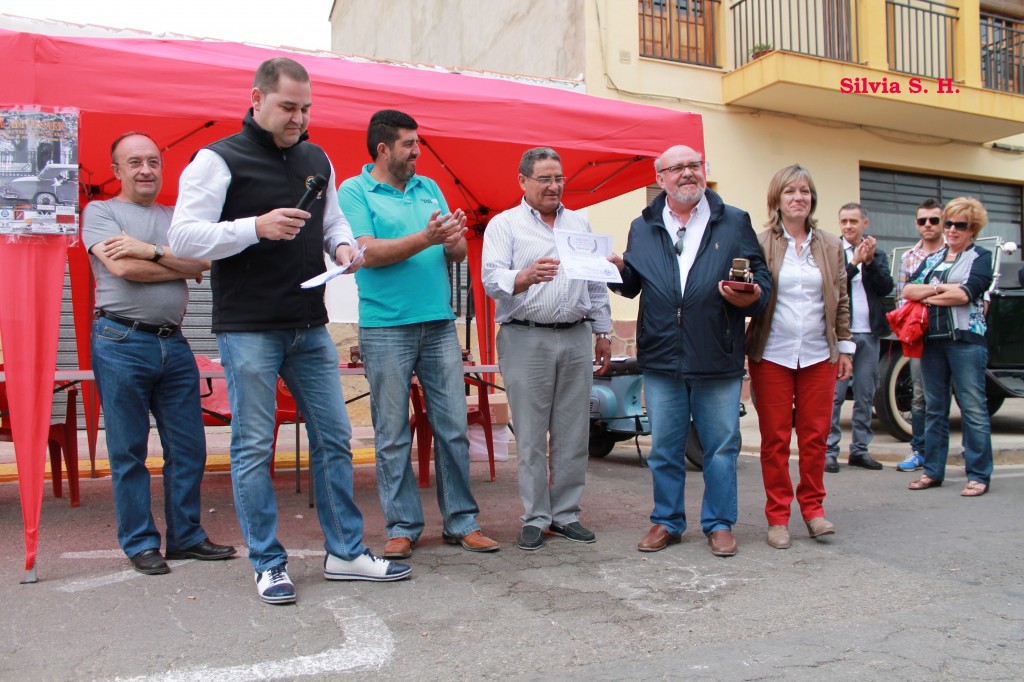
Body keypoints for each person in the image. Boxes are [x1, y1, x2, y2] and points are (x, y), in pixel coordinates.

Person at [169, 58, 410, 605]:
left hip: (309, 325)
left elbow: (333, 223)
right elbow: (183, 237)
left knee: (335, 438)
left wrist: (344, 248)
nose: (298, 118)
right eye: (288, 107)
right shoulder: (217, 159)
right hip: (248, 327)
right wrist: (254, 227)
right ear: (256, 99)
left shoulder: (315, 156)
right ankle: (268, 562)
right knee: (254, 445)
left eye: (305, 108)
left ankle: (346, 552)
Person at [338, 109, 498, 560]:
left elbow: (456, 251)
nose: (417, 150)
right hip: (385, 326)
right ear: (384, 149)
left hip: (439, 322)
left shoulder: (428, 187)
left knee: (452, 427)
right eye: (409, 143)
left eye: (418, 142)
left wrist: (452, 237)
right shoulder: (354, 190)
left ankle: (462, 522)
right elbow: (365, 252)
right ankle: (402, 525)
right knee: (391, 432)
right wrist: (428, 237)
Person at [83, 132, 236, 575]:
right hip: (120, 341)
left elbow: (204, 263)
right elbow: (121, 267)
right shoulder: (101, 211)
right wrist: (172, 263)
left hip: (174, 341)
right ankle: (140, 543)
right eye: (134, 163)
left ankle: (186, 537)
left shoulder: (175, 217)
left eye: (152, 161)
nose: (145, 170)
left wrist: (148, 250)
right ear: (117, 171)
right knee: (129, 449)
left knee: (188, 447)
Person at [609, 145, 770, 558]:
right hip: (662, 355)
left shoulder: (734, 220)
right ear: (659, 176)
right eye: (677, 168)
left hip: (717, 351)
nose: (687, 174)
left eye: (694, 165)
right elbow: (632, 284)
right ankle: (667, 521)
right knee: (664, 445)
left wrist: (749, 297)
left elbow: (761, 283)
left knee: (720, 445)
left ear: (704, 171)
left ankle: (719, 524)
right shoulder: (642, 225)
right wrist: (611, 269)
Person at [481, 147, 613, 551]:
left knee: (574, 432)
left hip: (576, 335)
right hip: (525, 336)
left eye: (559, 178)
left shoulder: (579, 223)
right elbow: (489, 279)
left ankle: (567, 514)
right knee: (532, 433)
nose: (554, 186)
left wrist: (603, 331)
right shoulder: (504, 225)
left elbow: (594, 281)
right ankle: (536, 516)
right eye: (544, 178)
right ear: (522, 181)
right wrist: (524, 276)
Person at [745, 164, 854, 550]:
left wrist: (844, 346)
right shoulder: (760, 243)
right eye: (790, 191)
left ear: (812, 199)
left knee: (815, 437)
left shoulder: (830, 245)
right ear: (777, 199)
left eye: (805, 191)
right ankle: (777, 516)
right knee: (774, 439)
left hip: (818, 355)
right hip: (771, 354)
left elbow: (841, 300)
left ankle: (813, 510)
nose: (798, 198)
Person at [901, 197, 994, 497]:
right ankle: (932, 471)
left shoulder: (980, 256)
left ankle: (979, 474)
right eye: (949, 223)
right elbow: (907, 290)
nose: (952, 230)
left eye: (960, 225)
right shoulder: (933, 259)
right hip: (933, 342)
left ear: (973, 229)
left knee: (973, 409)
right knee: (934, 409)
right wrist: (942, 289)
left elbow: (967, 293)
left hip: (966, 341)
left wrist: (927, 295)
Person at [825, 203, 893, 472]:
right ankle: (829, 450)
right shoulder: (832, 252)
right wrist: (854, 263)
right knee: (835, 395)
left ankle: (860, 450)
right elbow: (834, 285)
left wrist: (871, 261)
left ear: (865, 224)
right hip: (842, 334)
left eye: (854, 221)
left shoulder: (878, 254)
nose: (848, 226)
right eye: (844, 221)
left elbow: (885, 287)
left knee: (866, 393)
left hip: (870, 332)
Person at [894, 198, 946, 472]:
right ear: (916, 224)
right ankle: (920, 451)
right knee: (919, 396)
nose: (928, 225)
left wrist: (924, 295)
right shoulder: (908, 257)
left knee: (951, 397)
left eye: (934, 220)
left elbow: (965, 293)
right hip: (920, 335)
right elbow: (903, 298)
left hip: (950, 333)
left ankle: (941, 456)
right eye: (923, 221)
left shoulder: (954, 252)